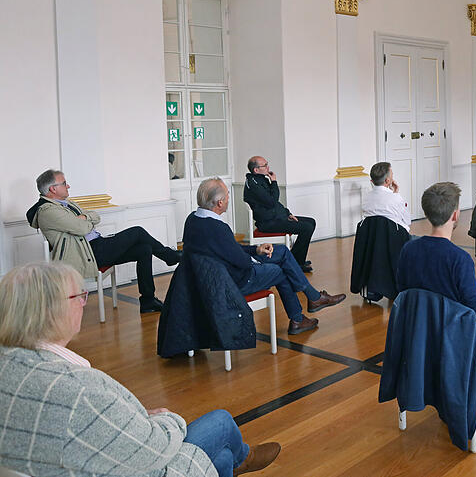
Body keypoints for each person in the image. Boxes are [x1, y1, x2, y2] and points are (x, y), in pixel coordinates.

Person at [0, 261, 281, 477]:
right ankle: (242, 456)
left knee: (220, 461)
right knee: (220, 423)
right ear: (52, 312)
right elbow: (152, 446)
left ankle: (236, 460)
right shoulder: (78, 391)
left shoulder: (9, 364)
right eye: (80, 297)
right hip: (126, 464)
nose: (84, 304)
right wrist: (167, 419)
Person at [184, 178, 345, 336]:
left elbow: (229, 250)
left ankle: (311, 301)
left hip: (214, 278)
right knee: (280, 270)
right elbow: (240, 261)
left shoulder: (193, 220)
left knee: (281, 251)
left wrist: (256, 250)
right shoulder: (219, 228)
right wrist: (256, 260)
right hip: (234, 281)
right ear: (219, 203)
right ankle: (302, 313)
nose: (228, 199)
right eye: (227, 195)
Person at [27, 169, 182, 314]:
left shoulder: (67, 203)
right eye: (64, 183)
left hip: (96, 246)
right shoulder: (48, 211)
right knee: (137, 232)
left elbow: (95, 216)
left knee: (144, 249)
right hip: (87, 254)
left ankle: (148, 301)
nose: (68, 186)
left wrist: (84, 219)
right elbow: (81, 229)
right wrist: (84, 221)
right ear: (52, 189)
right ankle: (169, 256)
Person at [396, 182, 476, 353]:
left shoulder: (407, 250)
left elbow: (403, 295)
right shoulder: (460, 259)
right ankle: (468, 376)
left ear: (427, 214)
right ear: (455, 215)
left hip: (418, 333)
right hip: (454, 337)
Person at [244, 156, 316, 271]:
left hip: (277, 218)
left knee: (311, 222)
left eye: (267, 164)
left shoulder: (261, 179)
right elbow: (272, 202)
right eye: (265, 165)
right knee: (306, 228)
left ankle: (296, 260)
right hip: (268, 223)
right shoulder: (254, 185)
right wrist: (274, 182)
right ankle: (296, 263)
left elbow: (276, 204)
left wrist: (288, 214)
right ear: (256, 170)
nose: (268, 167)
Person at [361, 161, 411, 231]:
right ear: (387, 181)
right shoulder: (396, 198)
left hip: (372, 239)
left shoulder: (365, 199)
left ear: (372, 181)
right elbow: (407, 221)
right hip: (395, 239)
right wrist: (396, 192)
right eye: (392, 175)